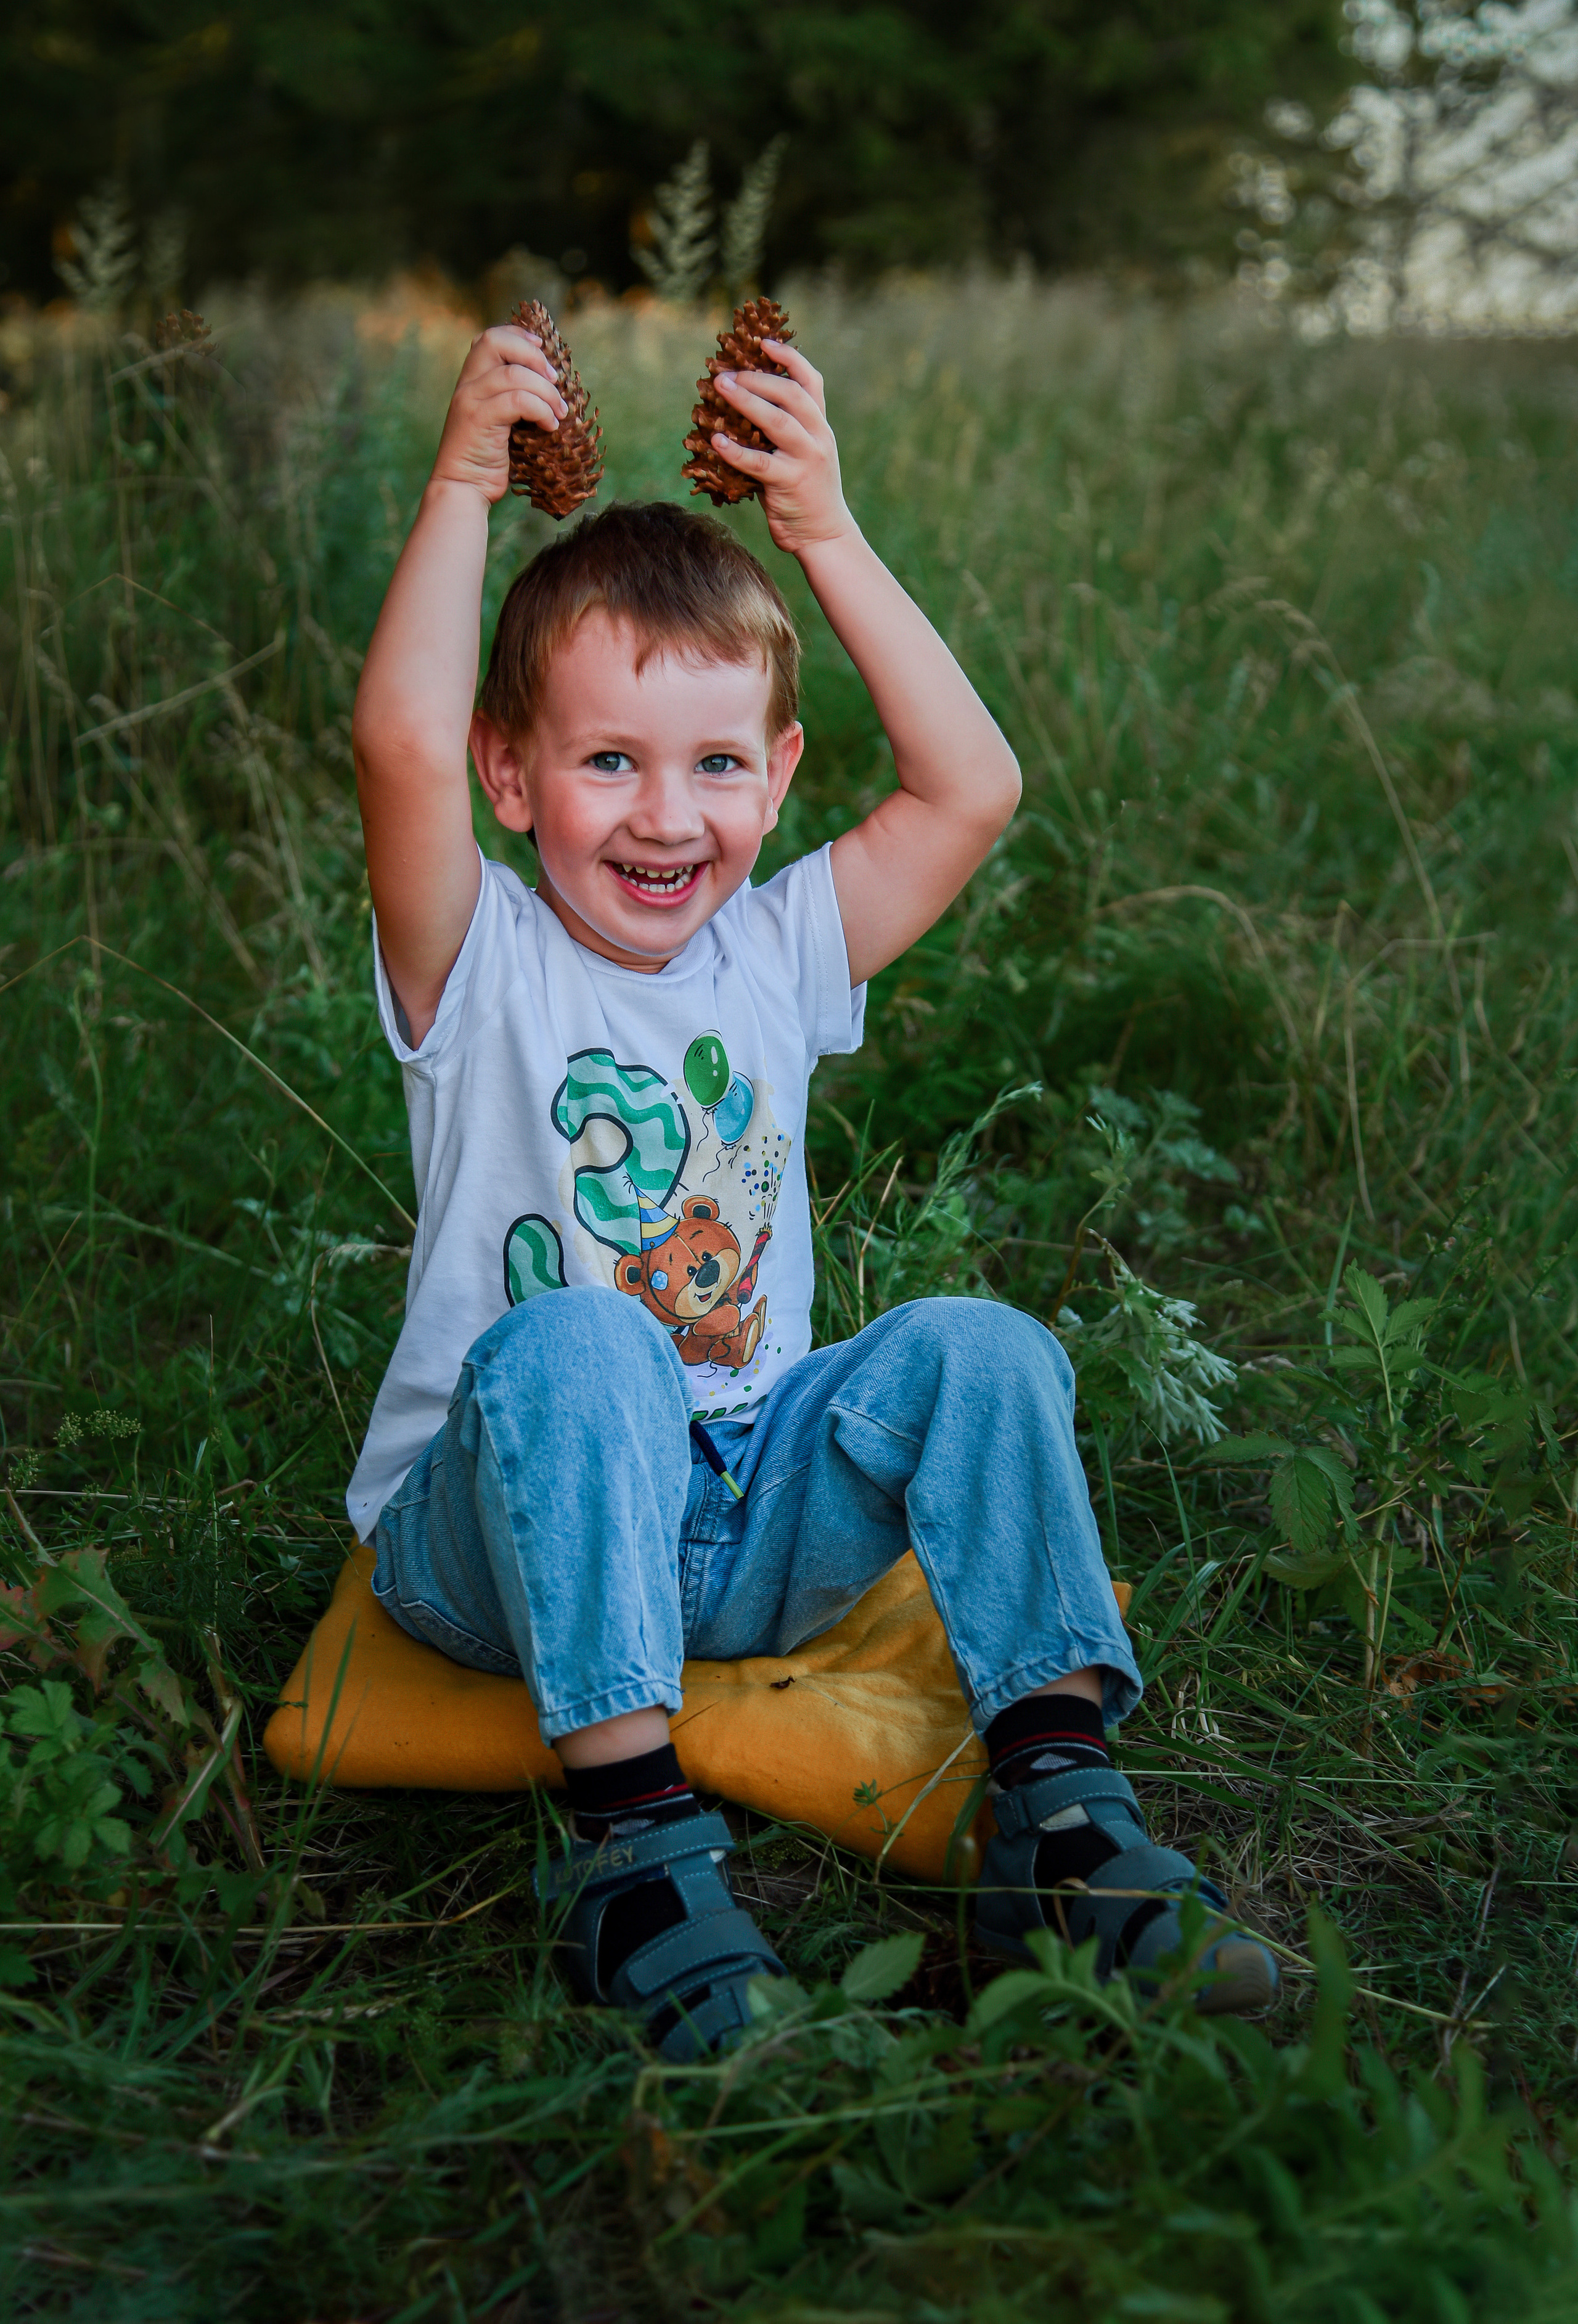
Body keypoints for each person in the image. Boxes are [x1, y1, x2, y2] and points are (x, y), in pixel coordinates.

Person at [348, 316, 1277, 2060]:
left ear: (778, 779)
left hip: (745, 1519)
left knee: (984, 1345)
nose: (664, 812)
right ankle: (636, 1862)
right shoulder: (479, 958)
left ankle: (1065, 1824)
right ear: (510, 775)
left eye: (715, 764)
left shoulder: (778, 951)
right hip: (497, 1544)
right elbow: (391, 742)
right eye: (607, 758)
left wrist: (827, 535)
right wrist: (468, 475)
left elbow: (973, 785)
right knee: (587, 1343)